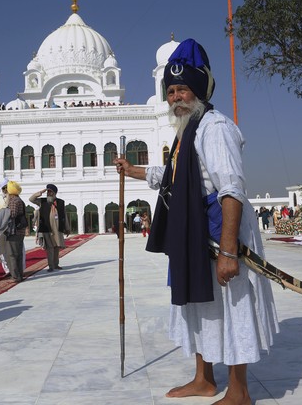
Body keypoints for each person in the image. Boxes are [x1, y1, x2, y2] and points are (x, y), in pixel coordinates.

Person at [114, 38, 278, 404]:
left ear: (199, 90)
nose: (175, 98)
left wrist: (229, 252)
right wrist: (134, 170)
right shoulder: (187, 132)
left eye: (182, 89)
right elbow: (171, 175)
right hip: (194, 233)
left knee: (232, 308)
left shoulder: (214, 128)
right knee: (198, 305)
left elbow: (231, 189)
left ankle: (239, 392)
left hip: (220, 232)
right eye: (170, 91)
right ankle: (204, 379)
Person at [29, 184, 69, 272]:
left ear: (54, 193)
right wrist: (39, 193)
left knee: (56, 248)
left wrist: (67, 227)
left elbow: (64, 215)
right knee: (50, 248)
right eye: (48, 192)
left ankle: (56, 264)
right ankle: (51, 266)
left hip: (57, 229)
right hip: (47, 229)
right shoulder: (42, 201)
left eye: (51, 192)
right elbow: (31, 199)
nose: (49, 193)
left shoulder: (60, 202)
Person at [4, 181, 28, 282]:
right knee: (18, 253)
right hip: (20, 231)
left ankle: (16, 276)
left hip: (14, 231)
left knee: (12, 254)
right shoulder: (19, 199)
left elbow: (12, 214)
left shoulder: (13, 200)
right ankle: (19, 275)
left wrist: (0, 213)